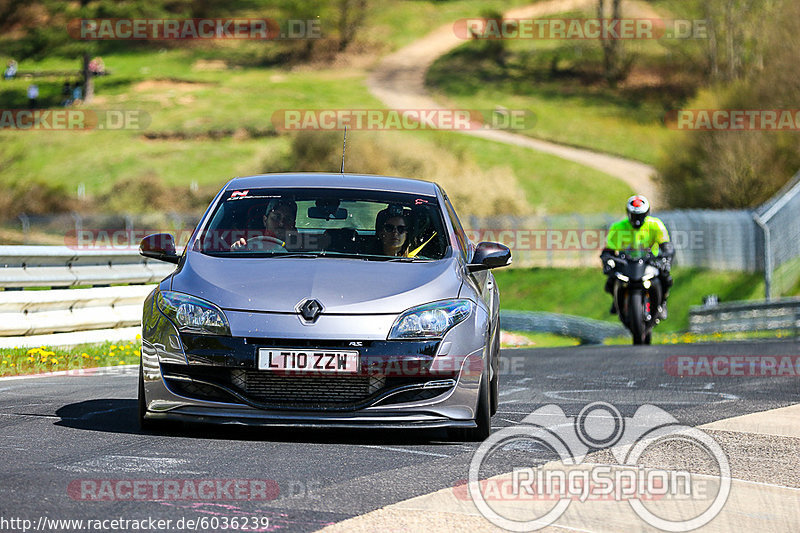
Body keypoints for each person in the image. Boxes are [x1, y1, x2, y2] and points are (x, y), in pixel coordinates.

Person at [601, 195, 674, 319]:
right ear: (628, 213)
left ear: (647, 213)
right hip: (626, 262)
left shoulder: (655, 225)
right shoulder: (617, 227)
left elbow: (666, 246)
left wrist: (665, 259)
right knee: (610, 282)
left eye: (640, 215)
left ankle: (662, 303)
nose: (637, 220)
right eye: (634, 216)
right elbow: (609, 250)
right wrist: (608, 262)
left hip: (650, 262)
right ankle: (617, 301)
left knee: (666, 278)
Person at [231, 198, 297, 250]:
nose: (281, 223)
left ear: (293, 225)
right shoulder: (249, 247)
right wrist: (237, 250)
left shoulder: (303, 250)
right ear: (265, 220)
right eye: (276, 217)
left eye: (288, 219)